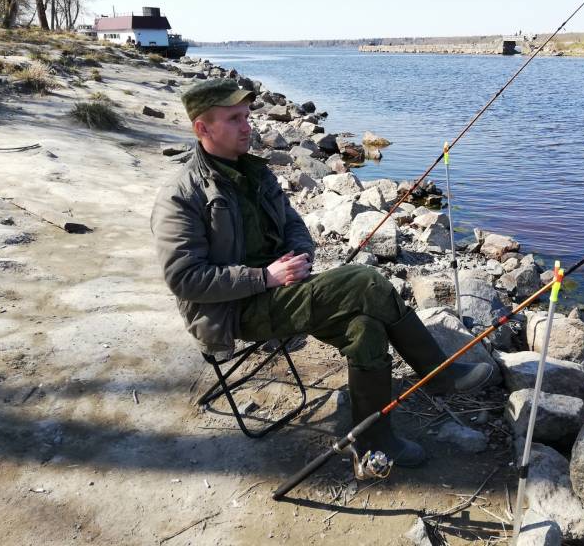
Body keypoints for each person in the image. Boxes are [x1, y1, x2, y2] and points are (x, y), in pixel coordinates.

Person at [151, 79, 493, 466]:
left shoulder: (256, 173)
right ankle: (439, 374)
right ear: (203, 128)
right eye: (234, 119)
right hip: (233, 310)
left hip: (282, 290)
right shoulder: (182, 194)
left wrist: (299, 258)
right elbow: (184, 278)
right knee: (367, 281)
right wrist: (264, 277)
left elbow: (294, 224)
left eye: (247, 116)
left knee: (366, 326)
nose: (248, 126)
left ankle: (374, 442)